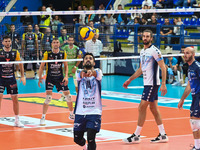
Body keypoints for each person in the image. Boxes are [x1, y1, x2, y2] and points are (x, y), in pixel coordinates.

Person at [122, 29, 168, 144]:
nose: (145, 38)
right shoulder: (142, 51)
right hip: (147, 83)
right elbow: (141, 70)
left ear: (151, 38)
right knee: (153, 108)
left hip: (152, 84)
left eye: (147, 36)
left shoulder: (154, 51)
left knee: (141, 107)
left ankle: (136, 135)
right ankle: (163, 135)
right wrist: (129, 80)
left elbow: (163, 67)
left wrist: (163, 84)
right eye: (144, 36)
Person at [38, 38, 74, 125]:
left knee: (68, 96)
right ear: (51, 44)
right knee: (48, 98)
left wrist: (66, 76)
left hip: (60, 77)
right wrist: (39, 78)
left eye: (57, 42)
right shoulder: (47, 54)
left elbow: (65, 65)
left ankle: (72, 115)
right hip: (50, 78)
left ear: (59, 44)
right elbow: (42, 66)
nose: (56, 44)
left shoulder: (63, 53)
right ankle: (43, 117)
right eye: (54, 42)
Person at [73, 52, 103, 150]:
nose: (88, 59)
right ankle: (85, 147)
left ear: (94, 63)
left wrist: (91, 73)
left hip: (94, 111)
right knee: (77, 139)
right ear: (83, 62)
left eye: (90, 58)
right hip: (80, 111)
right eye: (86, 58)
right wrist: (85, 73)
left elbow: (96, 74)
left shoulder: (98, 72)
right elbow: (81, 74)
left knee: (91, 138)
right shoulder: (78, 72)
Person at [0, 35, 26, 127]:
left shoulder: (15, 52)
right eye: (6, 41)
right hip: (1, 79)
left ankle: (16, 120)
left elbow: (20, 64)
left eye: (9, 41)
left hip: (11, 78)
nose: (7, 43)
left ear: (11, 42)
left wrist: (22, 76)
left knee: (15, 99)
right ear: (2, 42)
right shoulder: (0, 52)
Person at [178, 47, 200, 150]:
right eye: (184, 53)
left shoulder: (197, 67)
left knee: (195, 122)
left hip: (199, 97)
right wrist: (182, 99)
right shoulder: (189, 67)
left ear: (193, 54)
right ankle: (197, 146)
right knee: (194, 123)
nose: (185, 55)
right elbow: (189, 85)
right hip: (194, 97)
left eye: (187, 53)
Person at [58, 36, 82, 101]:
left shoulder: (76, 48)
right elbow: (60, 56)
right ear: (68, 41)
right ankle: (63, 96)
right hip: (66, 66)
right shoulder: (64, 48)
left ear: (73, 41)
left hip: (74, 66)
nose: (71, 42)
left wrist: (75, 67)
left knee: (76, 82)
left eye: (72, 40)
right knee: (64, 81)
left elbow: (80, 58)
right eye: (69, 40)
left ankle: (78, 96)